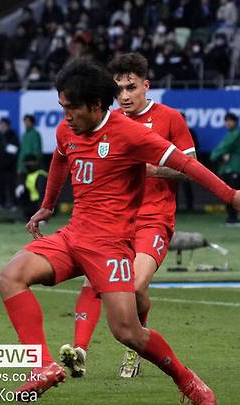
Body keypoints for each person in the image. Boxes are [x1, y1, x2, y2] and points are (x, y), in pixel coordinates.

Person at [0, 59, 240, 404]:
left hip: (110, 247)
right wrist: (47, 205)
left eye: (72, 108)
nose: (66, 115)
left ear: (96, 105)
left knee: (127, 332)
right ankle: (42, 367)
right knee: (9, 276)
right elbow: (60, 160)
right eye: (62, 107)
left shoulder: (130, 133)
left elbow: (186, 163)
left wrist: (231, 196)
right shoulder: (67, 130)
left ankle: (186, 379)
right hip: (74, 235)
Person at [61, 52, 198, 380]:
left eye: (131, 87)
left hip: (154, 218)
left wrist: (150, 169)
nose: (124, 95)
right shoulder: (102, 123)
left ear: (145, 86)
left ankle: (138, 340)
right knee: (94, 279)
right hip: (113, 221)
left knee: (134, 287)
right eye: (118, 88)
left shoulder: (169, 119)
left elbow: (191, 166)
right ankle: (79, 352)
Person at [210, 112, 240, 226]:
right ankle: (231, 218)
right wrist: (221, 155)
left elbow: (225, 146)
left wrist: (215, 155)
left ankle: (234, 218)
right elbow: (223, 148)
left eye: (229, 121)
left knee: (234, 194)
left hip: (234, 168)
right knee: (227, 194)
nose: (227, 123)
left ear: (235, 122)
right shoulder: (229, 134)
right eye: (226, 121)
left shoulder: (237, 133)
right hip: (227, 168)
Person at [0, 117, 19, 211]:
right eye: (0, 125)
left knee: (11, 186)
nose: (1, 127)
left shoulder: (12, 135)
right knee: (0, 187)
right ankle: (1, 204)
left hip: (10, 167)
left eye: (3, 125)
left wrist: (7, 149)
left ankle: (14, 204)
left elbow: (15, 150)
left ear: (8, 126)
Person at [16, 154, 47, 221]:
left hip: (41, 204)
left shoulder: (41, 174)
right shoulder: (28, 175)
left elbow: (42, 193)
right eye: (26, 163)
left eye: (29, 162)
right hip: (32, 203)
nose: (27, 165)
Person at [17, 114, 43, 178]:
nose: (26, 123)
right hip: (23, 167)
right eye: (25, 121)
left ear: (32, 123)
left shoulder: (35, 134)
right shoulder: (24, 135)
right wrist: (19, 166)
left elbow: (37, 150)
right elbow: (21, 152)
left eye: (28, 121)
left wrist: (35, 163)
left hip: (31, 167)